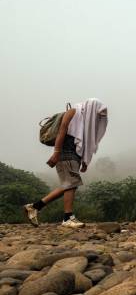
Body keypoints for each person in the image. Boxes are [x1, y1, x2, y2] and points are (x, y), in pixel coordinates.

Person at [23, 98, 108, 228]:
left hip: (75, 155)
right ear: (92, 107)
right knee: (71, 183)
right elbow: (62, 131)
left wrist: (85, 161)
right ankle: (67, 218)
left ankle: (34, 207)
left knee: (69, 184)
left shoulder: (87, 122)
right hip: (65, 152)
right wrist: (56, 152)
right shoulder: (73, 112)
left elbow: (85, 142)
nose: (98, 117)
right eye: (97, 113)